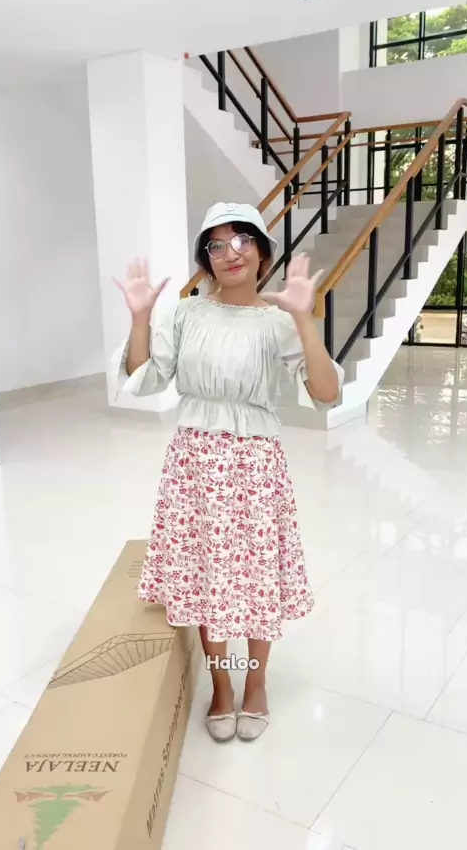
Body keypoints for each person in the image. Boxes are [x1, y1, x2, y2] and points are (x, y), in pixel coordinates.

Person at [112, 202, 344, 743]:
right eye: (215, 245)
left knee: (256, 575)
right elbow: (145, 377)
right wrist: (142, 317)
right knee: (205, 575)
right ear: (206, 258)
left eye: (241, 240)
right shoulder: (185, 313)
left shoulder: (278, 321)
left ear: (262, 251)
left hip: (255, 464)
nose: (229, 253)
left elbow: (326, 392)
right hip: (194, 463)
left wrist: (304, 320)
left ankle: (256, 682)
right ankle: (221, 685)